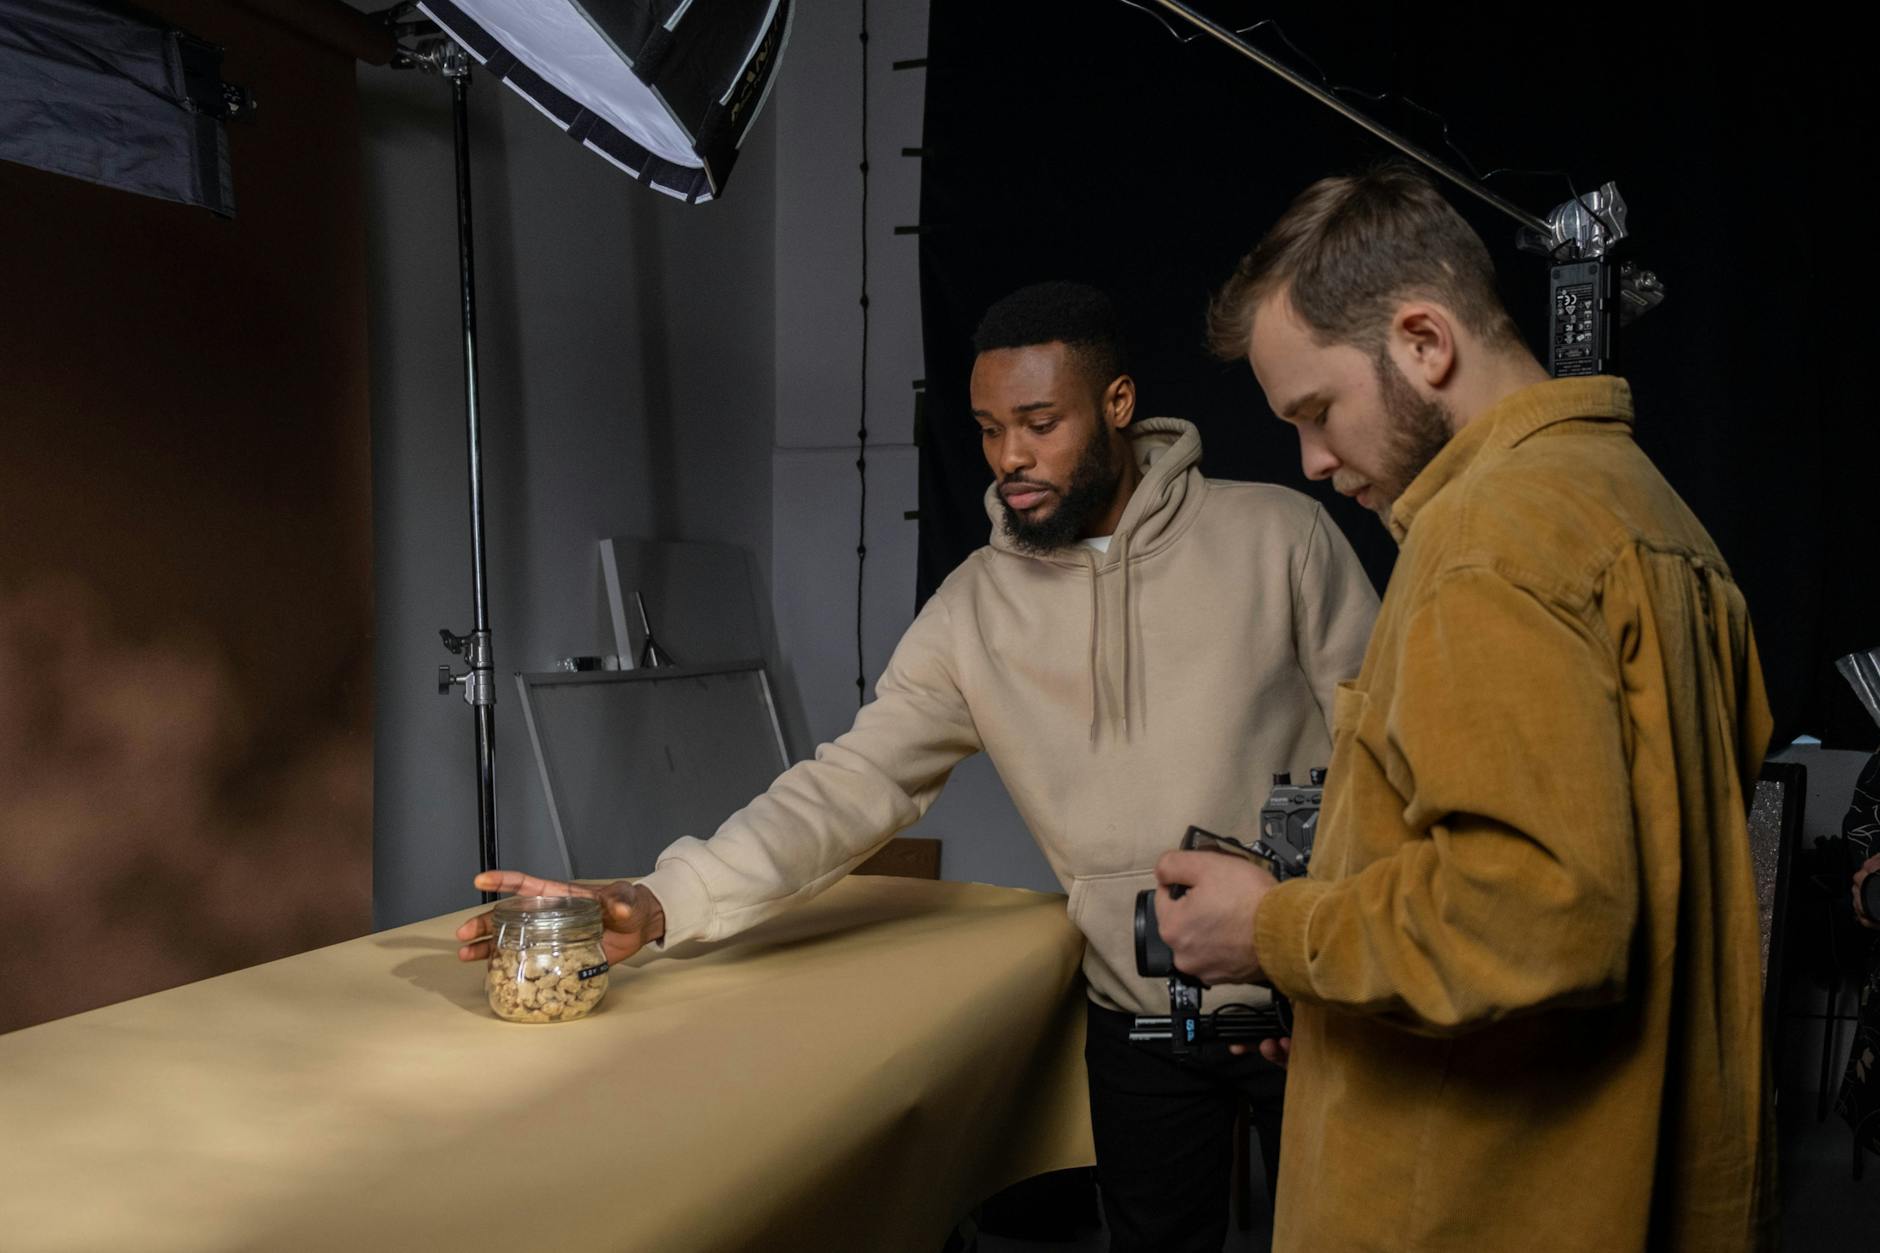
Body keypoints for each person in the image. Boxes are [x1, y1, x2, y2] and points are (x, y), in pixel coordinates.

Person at [457, 281, 1379, 1250]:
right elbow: (850, 782)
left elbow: (1387, 758)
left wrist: (1331, 961)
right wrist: (658, 900)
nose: (1009, 457)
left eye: (1037, 422)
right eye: (986, 429)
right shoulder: (973, 606)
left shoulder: (1277, 537)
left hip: (1316, 994)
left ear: (1116, 405)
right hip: (1133, 1017)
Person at [1154, 166, 1776, 1250]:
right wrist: (1362, 1023)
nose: (1309, 459)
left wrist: (1269, 929)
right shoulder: (1652, 513)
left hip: (1473, 1205)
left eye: (1316, 410)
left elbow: (1532, 915)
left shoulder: (1484, 544)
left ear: (1421, 341)